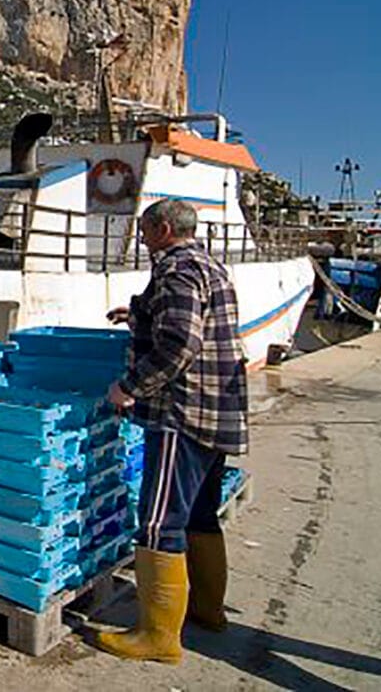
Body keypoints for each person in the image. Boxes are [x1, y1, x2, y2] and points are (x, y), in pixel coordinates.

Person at [99, 199, 248, 664]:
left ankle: (158, 638)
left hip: (181, 414)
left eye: (145, 231)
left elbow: (182, 342)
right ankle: (208, 610)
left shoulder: (177, 270)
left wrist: (129, 386)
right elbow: (188, 322)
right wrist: (139, 315)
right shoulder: (208, 266)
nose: (142, 240)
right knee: (201, 512)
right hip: (217, 412)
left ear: (163, 228)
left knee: (161, 521)